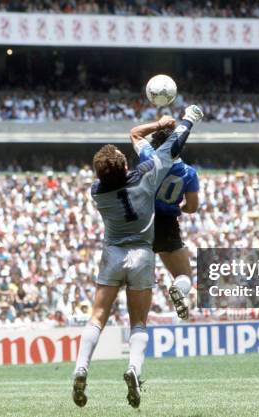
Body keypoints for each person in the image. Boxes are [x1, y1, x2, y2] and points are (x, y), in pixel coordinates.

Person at [72, 105, 204, 409]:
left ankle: (81, 368)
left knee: (97, 317)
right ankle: (134, 369)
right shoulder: (145, 175)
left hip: (113, 254)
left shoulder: (97, 192)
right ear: (123, 166)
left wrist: (157, 125)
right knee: (139, 324)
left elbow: (127, 155)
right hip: (143, 255)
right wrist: (187, 119)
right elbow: (174, 145)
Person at [130, 121, 200, 319]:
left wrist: (159, 123)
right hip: (166, 224)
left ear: (155, 143)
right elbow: (192, 207)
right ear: (180, 146)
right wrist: (180, 207)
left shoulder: (148, 156)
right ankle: (178, 291)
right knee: (183, 276)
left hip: (139, 221)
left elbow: (135, 133)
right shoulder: (189, 173)